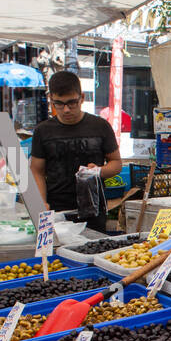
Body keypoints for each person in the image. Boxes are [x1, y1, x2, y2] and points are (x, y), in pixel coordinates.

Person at [28, 70, 121, 232]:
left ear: (82, 98)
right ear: (51, 100)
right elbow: (36, 171)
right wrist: (41, 202)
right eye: (59, 103)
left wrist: (99, 171)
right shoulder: (43, 131)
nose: (66, 110)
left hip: (93, 210)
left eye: (72, 103)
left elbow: (116, 163)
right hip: (57, 210)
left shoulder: (100, 126)